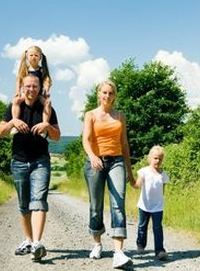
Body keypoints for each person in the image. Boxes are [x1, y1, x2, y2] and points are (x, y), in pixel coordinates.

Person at [0, 74, 61, 262]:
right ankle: (28, 239)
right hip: (18, 161)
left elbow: (57, 136)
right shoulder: (14, 106)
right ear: (22, 87)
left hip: (40, 161)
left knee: (39, 200)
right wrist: (12, 122)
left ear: (40, 87)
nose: (31, 89)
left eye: (35, 86)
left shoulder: (47, 108)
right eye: (28, 86)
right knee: (24, 204)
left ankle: (37, 243)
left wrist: (47, 125)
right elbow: (0, 132)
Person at [82, 80, 135, 269]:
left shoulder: (120, 116)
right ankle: (97, 243)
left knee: (118, 203)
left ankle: (119, 252)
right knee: (96, 206)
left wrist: (130, 171)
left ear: (115, 96)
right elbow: (86, 140)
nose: (107, 96)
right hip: (95, 162)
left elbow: (125, 144)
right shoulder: (90, 115)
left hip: (117, 161)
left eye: (111, 93)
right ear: (99, 94)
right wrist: (92, 156)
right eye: (104, 92)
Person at [131, 145, 169, 260]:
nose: (157, 161)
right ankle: (141, 245)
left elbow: (162, 190)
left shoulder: (163, 174)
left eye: (160, 159)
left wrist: (160, 201)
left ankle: (160, 250)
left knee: (157, 227)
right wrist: (131, 181)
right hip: (144, 205)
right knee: (142, 226)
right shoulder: (144, 171)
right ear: (150, 158)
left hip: (157, 206)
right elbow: (137, 185)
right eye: (155, 158)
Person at [10, 45, 52, 136]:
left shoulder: (42, 70)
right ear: (27, 56)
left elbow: (47, 81)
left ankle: (44, 125)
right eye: (31, 55)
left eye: (36, 55)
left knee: (47, 103)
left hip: (38, 94)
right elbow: (19, 80)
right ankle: (15, 122)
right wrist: (17, 92)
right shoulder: (25, 69)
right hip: (25, 94)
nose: (34, 57)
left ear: (40, 57)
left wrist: (47, 90)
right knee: (16, 101)